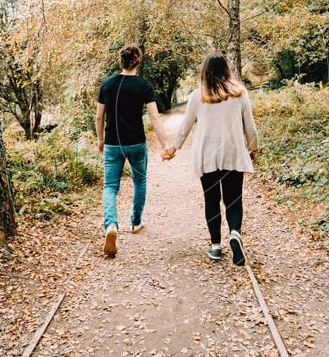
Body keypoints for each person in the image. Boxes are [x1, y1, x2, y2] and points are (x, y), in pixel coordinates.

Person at [163, 52, 259, 266]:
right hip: (233, 154)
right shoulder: (240, 94)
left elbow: (185, 127)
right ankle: (234, 233)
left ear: (204, 72)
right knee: (234, 199)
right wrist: (253, 148)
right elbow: (250, 127)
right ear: (227, 70)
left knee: (211, 200)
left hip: (207, 156)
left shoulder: (197, 96)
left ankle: (215, 246)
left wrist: (173, 149)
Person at [96, 45, 171, 257]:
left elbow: (99, 117)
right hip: (137, 143)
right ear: (138, 61)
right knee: (140, 182)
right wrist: (165, 145)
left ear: (120, 61)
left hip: (112, 143)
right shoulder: (144, 86)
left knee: (110, 186)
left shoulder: (107, 84)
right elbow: (155, 117)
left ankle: (111, 225)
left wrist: (100, 139)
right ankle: (136, 222)